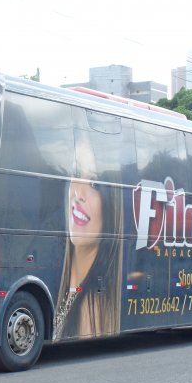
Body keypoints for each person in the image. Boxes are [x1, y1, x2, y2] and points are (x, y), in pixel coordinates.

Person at [54, 136, 123, 340]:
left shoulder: (92, 305)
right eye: (75, 174)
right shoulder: (71, 289)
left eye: (93, 182)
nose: (79, 192)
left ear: (112, 203)